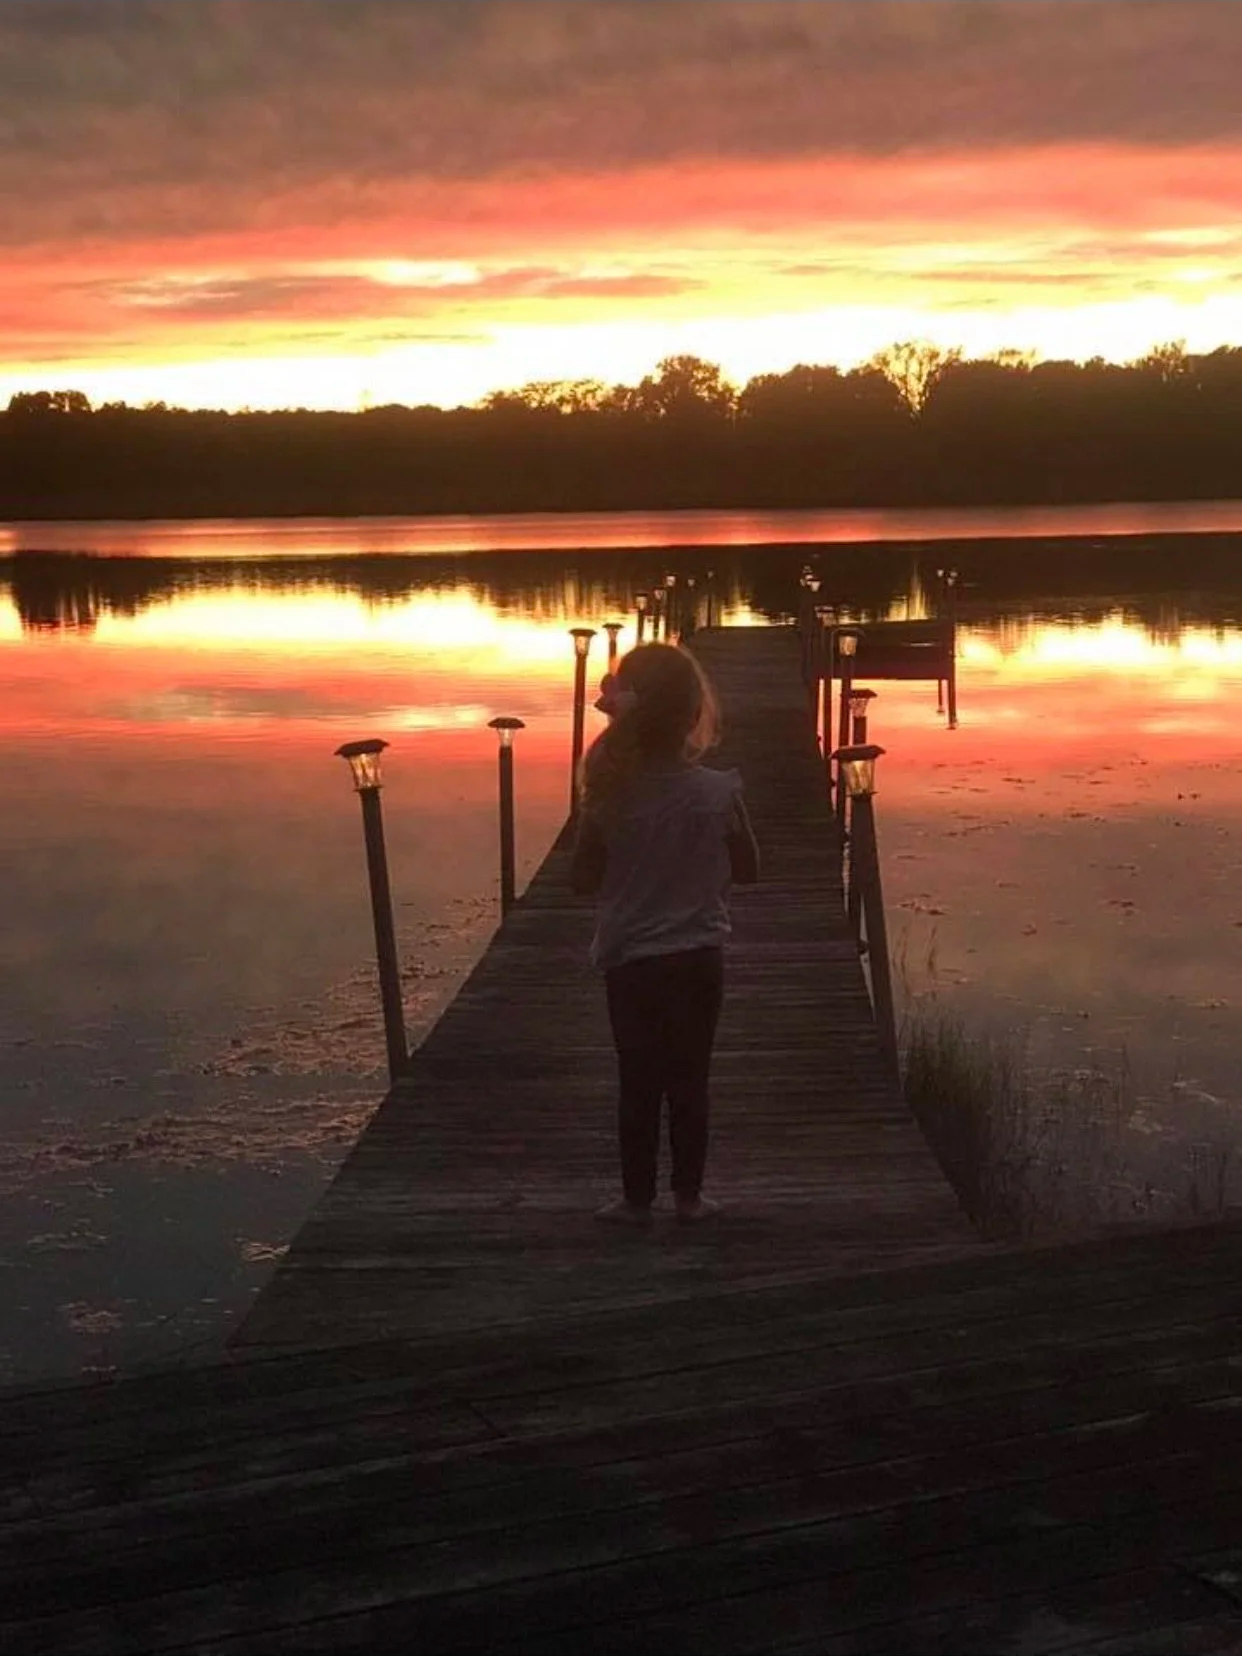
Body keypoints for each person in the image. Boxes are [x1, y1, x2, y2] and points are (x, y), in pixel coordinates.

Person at [570, 642, 760, 1226]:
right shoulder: (719, 794)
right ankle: (690, 1197)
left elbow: (582, 881)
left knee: (638, 1082)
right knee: (690, 1080)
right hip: (699, 958)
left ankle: (634, 1201)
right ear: (691, 711)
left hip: (631, 961)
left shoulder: (609, 795)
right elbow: (750, 869)